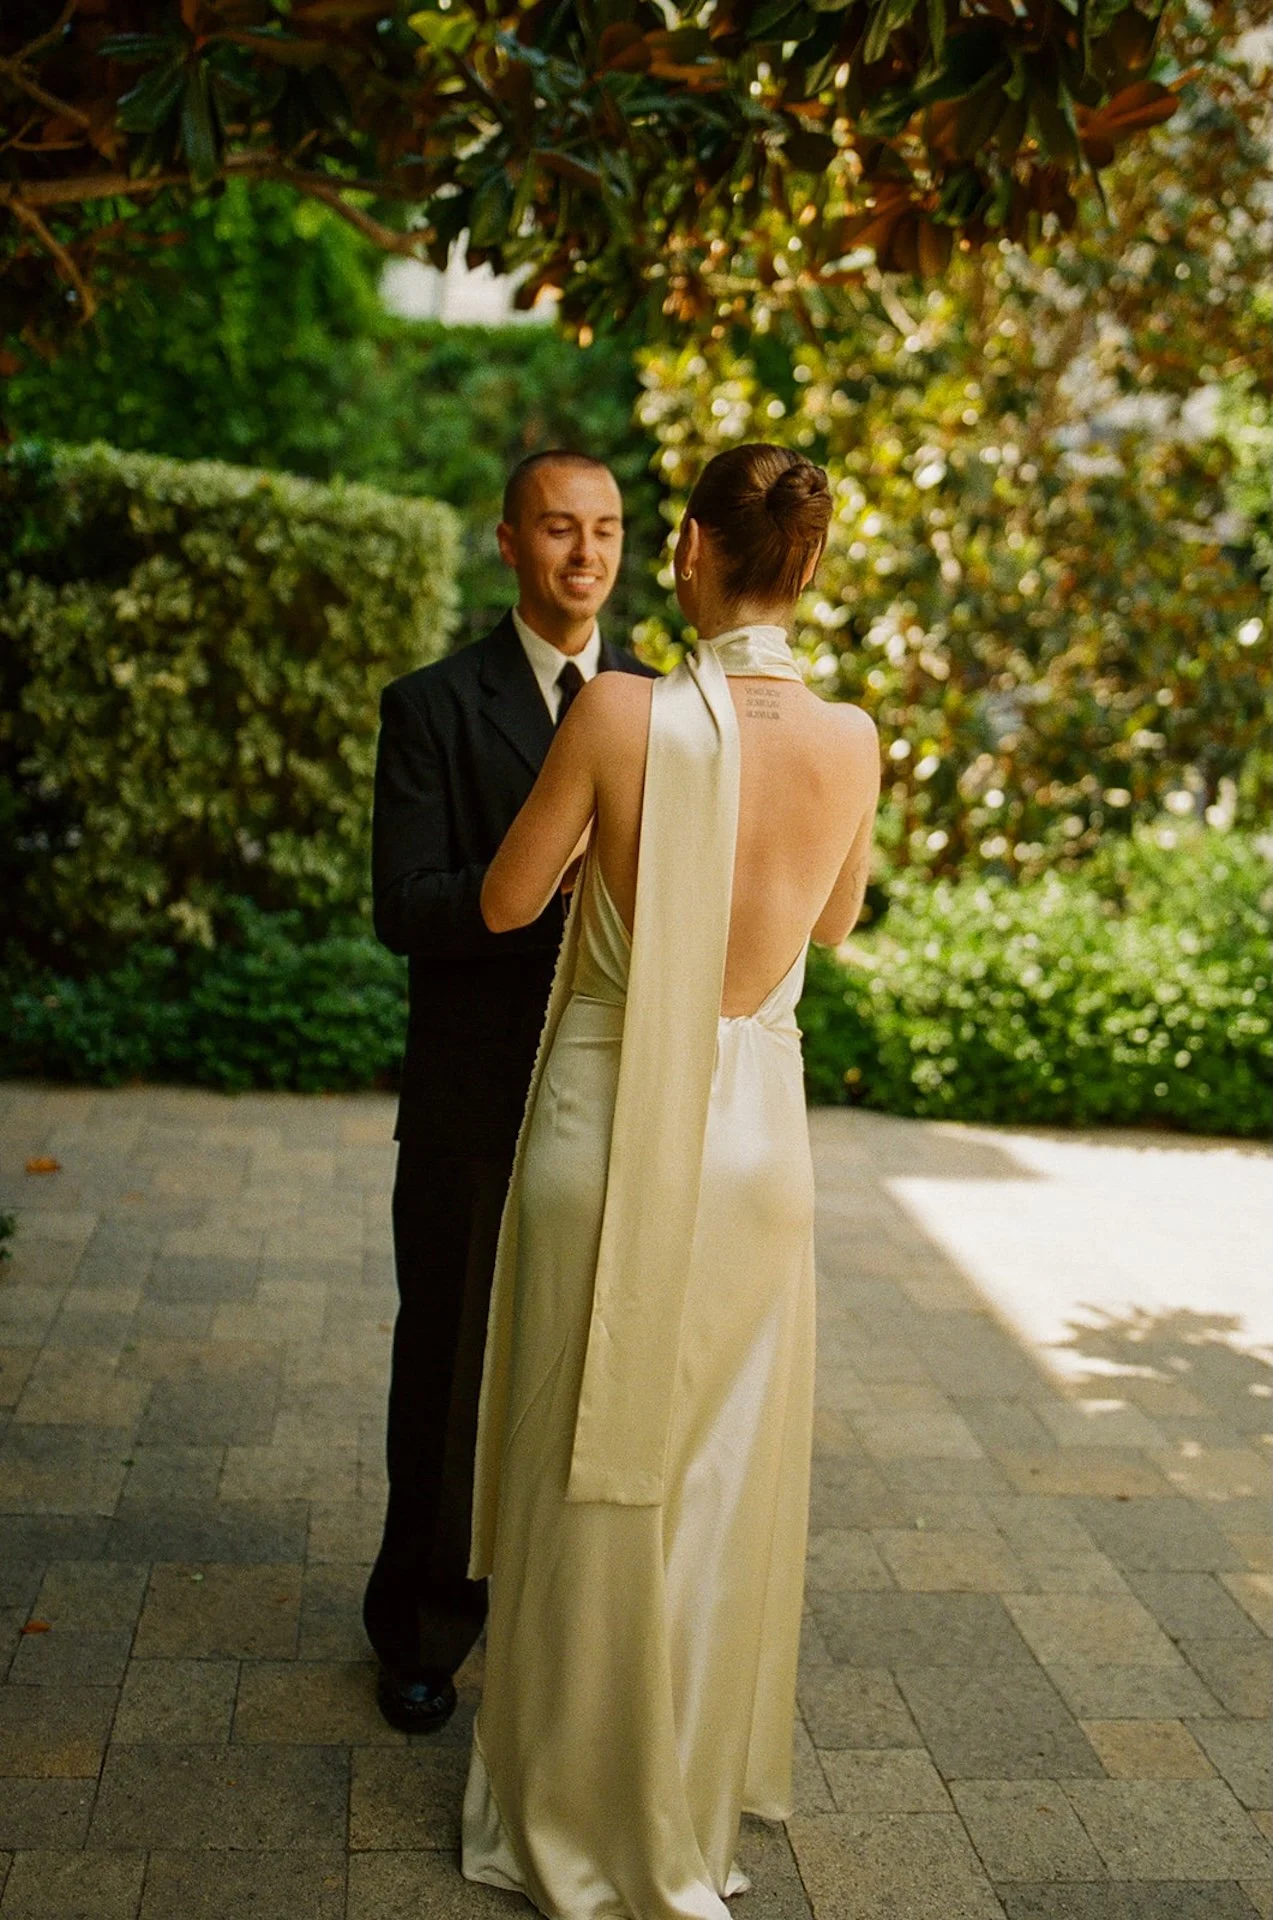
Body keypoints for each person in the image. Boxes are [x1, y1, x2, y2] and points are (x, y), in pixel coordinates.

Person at [461, 443, 881, 1918]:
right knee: (711, 1482)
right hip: (756, 1138)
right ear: (808, 568)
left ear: (692, 549)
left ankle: (562, 1799)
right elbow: (829, 925)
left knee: (582, 1456)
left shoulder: (624, 714)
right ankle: (679, 1810)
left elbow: (510, 901)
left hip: (610, 1115)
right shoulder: (854, 741)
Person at [363, 451, 654, 1735]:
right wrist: (526, 887)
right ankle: (420, 1627)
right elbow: (404, 908)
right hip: (475, 1096)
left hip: (612, 1088)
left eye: (604, 531)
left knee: (588, 1361)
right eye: (556, 529)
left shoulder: (660, 705)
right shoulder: (429, 705)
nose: (583, 555)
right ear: (506, 543)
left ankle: (559, 1614)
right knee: (449, 1367)